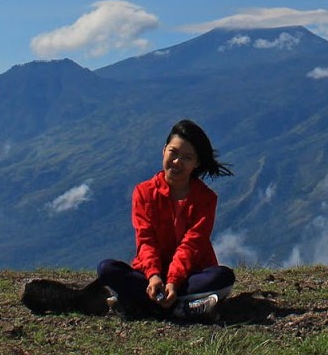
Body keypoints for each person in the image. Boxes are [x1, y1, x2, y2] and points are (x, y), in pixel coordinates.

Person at [96, 118, 236, 321]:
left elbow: (192, 244)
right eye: (174, 152)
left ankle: (145, 304)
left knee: (223, 276)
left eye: (187, 157)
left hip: (189, 275)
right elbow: (146, 240)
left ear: (196, 163)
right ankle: (182, 307)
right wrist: (154, 276)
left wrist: (173, 281)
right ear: (164, 150)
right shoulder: (144, 193)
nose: (177, 161)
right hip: (150, 276)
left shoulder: (206, 199)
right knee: (106, 269)